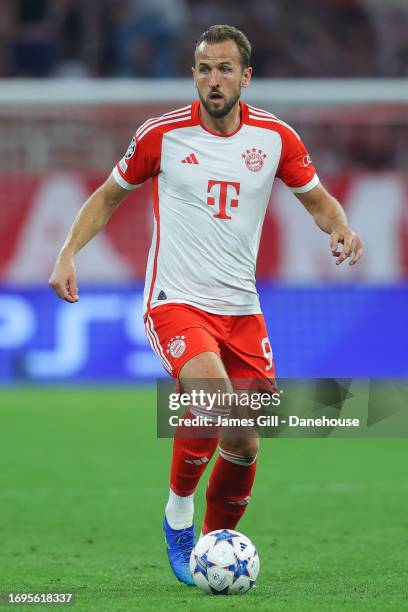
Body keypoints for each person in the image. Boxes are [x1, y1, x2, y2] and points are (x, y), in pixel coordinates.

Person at [49, 24, 363, 587]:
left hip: (241, 308)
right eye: (202, 68)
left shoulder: (275, 139)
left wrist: (339, 226)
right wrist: (68, 251)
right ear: (192, 73)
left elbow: (317, 200)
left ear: (246, 76)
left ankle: (213, 554)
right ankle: (177, 513)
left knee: (243, 442)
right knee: (216, 402)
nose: (212, 80)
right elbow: (107, 196)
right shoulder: (161, 135)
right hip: (175, 301)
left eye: (223, 69)